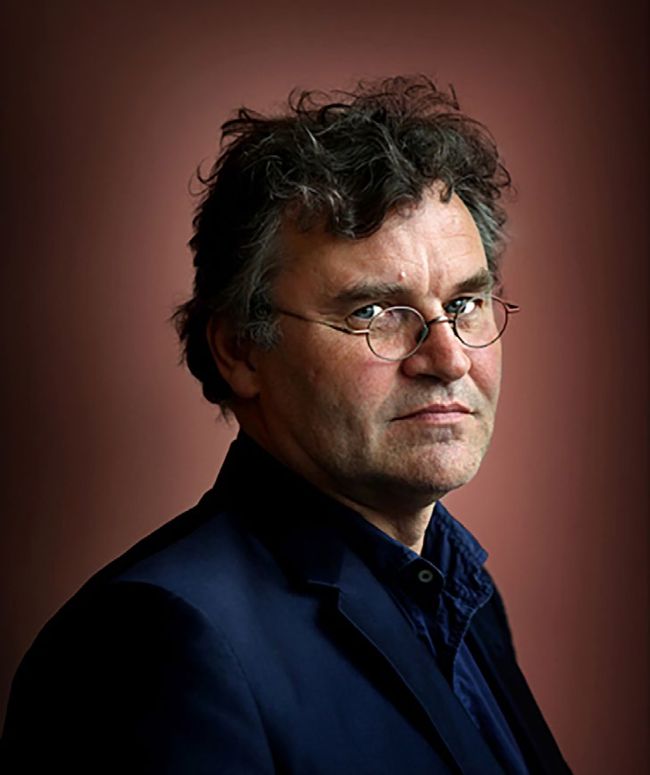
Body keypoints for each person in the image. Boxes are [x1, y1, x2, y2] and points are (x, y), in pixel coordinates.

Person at [2, 76, 571, 773]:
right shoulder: (152, 644)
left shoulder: (462, 596)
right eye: (372, 312)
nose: (449, 357)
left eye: (465, 303)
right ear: (241, 349)